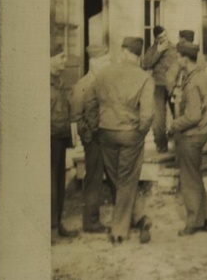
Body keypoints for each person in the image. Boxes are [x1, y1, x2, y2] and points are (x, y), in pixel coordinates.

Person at [86, 37, 154, 244]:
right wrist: (140, 133)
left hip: (106, 132)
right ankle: (119, 230)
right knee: (126, 180)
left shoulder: (104, 73)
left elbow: (91, 103)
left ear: (124, 51)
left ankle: (136, 217)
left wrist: (96, 126)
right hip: (130, 133)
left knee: (116, 178)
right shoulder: (145, 78)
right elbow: (147, 114)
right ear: (138, 54)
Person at [169, 42, 207, 236]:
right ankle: (206, 218)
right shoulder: (200, 77)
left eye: (178, 57)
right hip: (201, 132)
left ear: (184, 59)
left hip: (191, 135)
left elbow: (192, 116)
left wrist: (172, 125)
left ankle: (193, 221)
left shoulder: (192, 83)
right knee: (195, 176)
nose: (176, 60)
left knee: (188, 180)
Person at [70, 44, 111, 233]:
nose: (108, 64)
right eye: (104, 61)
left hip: (106, 137)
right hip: (94, 140)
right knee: (94, 180)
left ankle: (123, 218)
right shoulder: (84, 85)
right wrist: (88, 139)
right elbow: (77, 117)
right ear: (94, 62)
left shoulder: (104, 82)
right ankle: (90, 222)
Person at [50, 43, 79, 239]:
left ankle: (57, 224)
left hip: (60, 137)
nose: (65, 61)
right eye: (60, 57)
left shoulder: (58, 81)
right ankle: (50, 229)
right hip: (48, 138)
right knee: (49, 183)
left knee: (59, 182)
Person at [141, 25, 177, 153]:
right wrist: (158, 51)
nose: (164, 39)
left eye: (165, 35)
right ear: (156, 39)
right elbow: (146, 64)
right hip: (158, 86)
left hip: (173, 85)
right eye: (161, 37)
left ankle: (179, 146)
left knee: (178, 114)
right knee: (158, 118)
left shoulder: (174, 48)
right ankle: (161, 145)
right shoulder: (152, 50)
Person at [170, 30, 196, 116]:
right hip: (195, 90)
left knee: (179, 117)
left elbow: (170, 77)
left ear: (183, 39)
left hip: (181, 90)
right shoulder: (198, 54)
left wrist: (172, 90)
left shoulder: (179, 54)